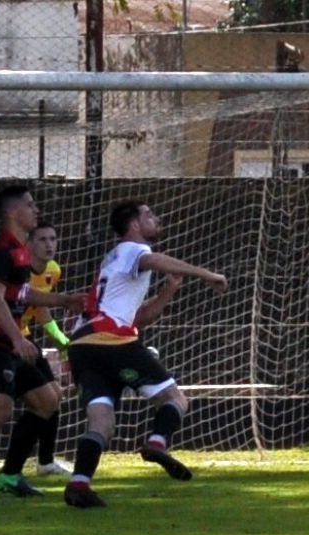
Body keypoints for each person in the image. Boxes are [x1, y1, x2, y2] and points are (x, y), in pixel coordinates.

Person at [63, 200, 227, 508]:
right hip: (111, 339)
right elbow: (157, 262)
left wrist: (169, 290)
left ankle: (79, 484)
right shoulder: (132, 250)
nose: (157, 218)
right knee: (175, 399)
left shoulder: (115, 260)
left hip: (83, 345)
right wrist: (206, 274)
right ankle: (156, 444)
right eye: (149, 215)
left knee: (101, 421)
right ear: (135, 226)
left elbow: (139, 319)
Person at [0, 186, 85, 503]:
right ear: (15, 213)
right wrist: (17, 337)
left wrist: (63, 300)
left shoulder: (21, 250)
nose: (36, 209)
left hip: (10, 343)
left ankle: (11, 476)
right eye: (30, 205)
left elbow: (21, 295)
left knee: (47, 400)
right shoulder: (2, 251)